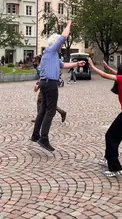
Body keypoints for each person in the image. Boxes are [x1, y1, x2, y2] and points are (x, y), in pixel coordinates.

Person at [30, 20, 85, 152]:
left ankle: (35, 135)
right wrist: (69, 24)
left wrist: (77, 64)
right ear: (56, 44)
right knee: (51, 111)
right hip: (50, 84)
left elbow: (63, 65)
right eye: (60, 44)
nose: (62, 46)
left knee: (43, 110)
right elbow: (64, 36)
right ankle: (43, 138)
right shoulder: (51, 50)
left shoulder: (51, 55)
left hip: (44, 83)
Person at [88, 59, 122, 177]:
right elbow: (117, 74)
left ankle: (115, 168)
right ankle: (108, 158)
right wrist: (108, 66)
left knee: (110, 136)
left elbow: (104, 75)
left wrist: (92, 65)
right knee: (115, 137)